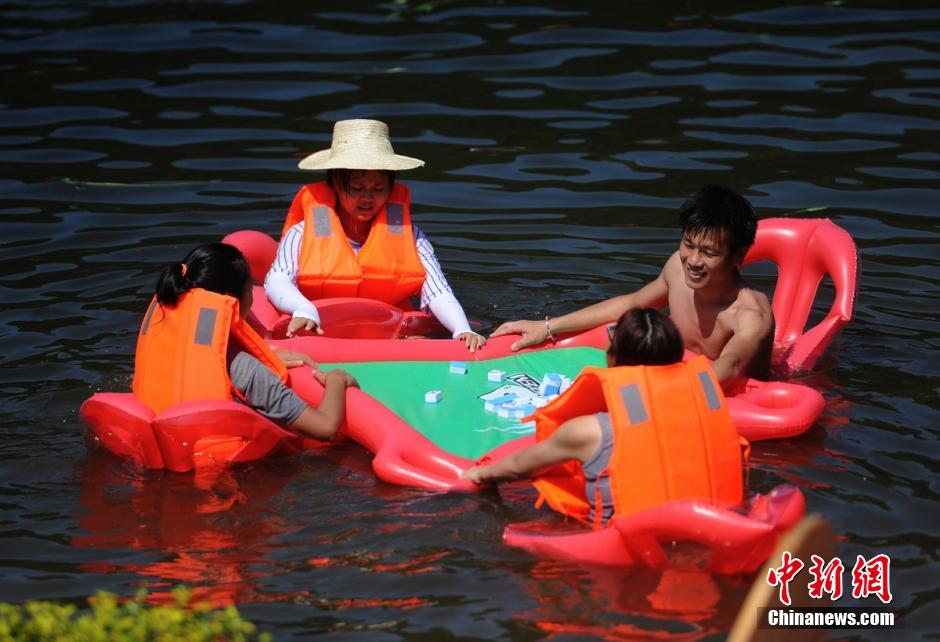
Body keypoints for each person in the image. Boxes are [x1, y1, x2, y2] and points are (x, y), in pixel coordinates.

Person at [463, 308, 744, 528]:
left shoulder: (590, 431)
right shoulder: (713, 419)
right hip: (715, 533)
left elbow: (516, 468)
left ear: (612, 359)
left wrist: (477, 474)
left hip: (623, 554)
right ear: (677, 361)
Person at [492, 184, 774, 383]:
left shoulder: (750, 314)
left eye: (709, 253)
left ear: (738, 256)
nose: (693, 261)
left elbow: (731, 364)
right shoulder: (677, 268)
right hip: (679, 373)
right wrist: (547, 327)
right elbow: (631, 303)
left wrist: (671, 392)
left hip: (734, 398)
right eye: (688, 245)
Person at [265, 119, 485, 352]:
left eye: (378, 189)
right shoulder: (301, 233)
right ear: (335, 183)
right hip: (319, 333)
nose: (368, 198)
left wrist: (461, 329)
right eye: (357, 188)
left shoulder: (412, 236)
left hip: (390, 336)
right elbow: (276, 280)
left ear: (390, 188)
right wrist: (303, 309)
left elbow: (437, 290)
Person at [132, 242, 357, 441]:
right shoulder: (246, 371)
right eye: (250, 287)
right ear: (234, 299)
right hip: (232, 470)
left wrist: (264, 357)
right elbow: (325, 428)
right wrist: (336, 381)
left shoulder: (163, 349)